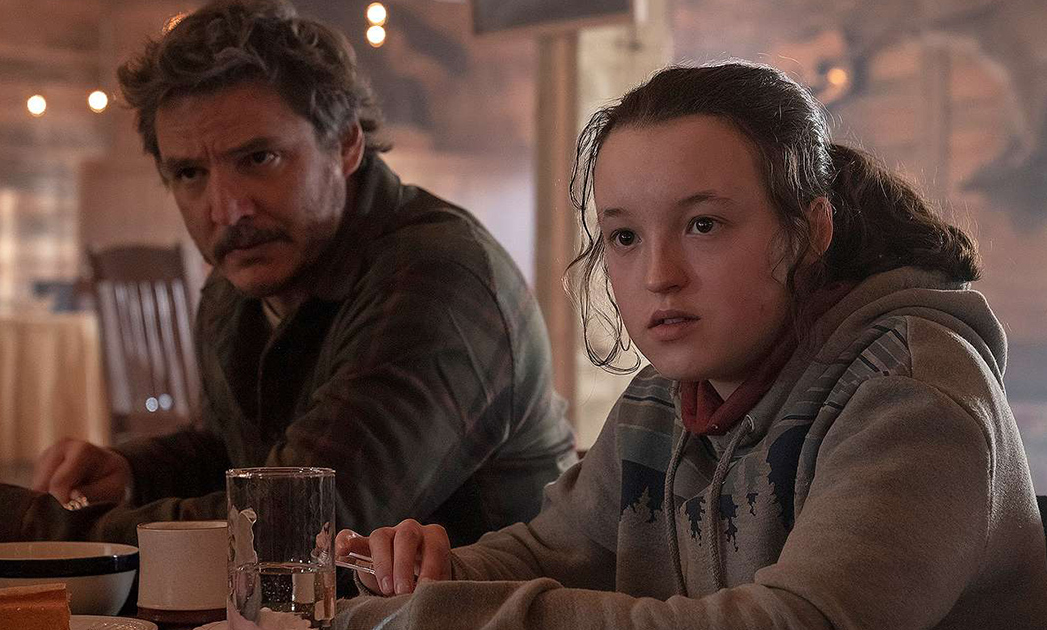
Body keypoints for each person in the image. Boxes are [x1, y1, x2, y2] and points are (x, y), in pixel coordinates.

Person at [0, 0, 575, 603]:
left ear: (346, 145)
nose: (226, 209)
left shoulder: (437, 281)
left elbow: (295, 534)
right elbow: (240, 449)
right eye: (190, 174)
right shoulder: (244, 278)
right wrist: (135, 469)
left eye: (259, 158)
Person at [333, 61, 1047, 628]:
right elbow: (556, 550)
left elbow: (799, 623)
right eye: (623, 236)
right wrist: (432, 571)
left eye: (703, 225)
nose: (658, 275)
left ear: (809, 231)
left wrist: (437, 617)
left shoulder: (910, 395)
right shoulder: (663, 401)